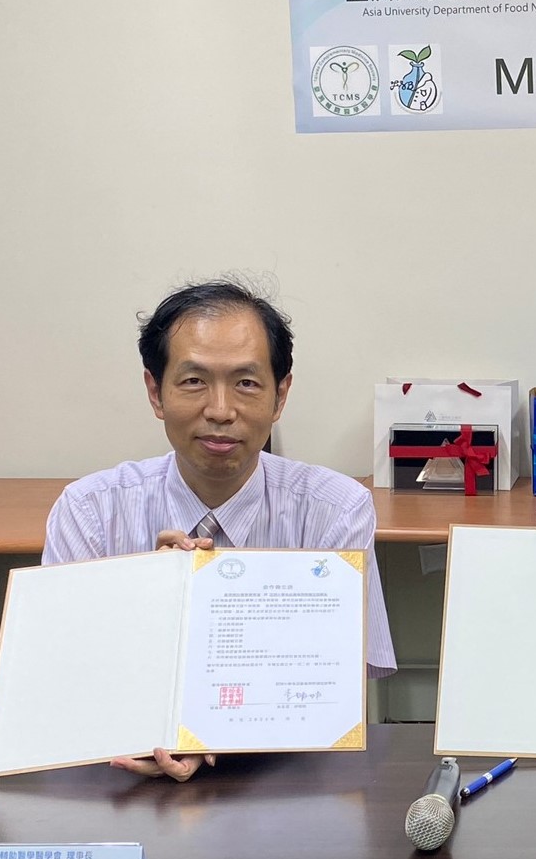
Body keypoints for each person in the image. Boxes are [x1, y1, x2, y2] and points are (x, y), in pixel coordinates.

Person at [43, 280, 397, 781]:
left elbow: (337, 688)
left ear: (281, 396)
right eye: (193, 381)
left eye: (247, 383)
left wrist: (218, 737)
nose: (221, 409)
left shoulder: (335, 510)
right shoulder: (90, 511)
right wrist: (144, 595)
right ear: (155, 391)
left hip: (287, 779)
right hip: (119, 776)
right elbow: (60, 678)